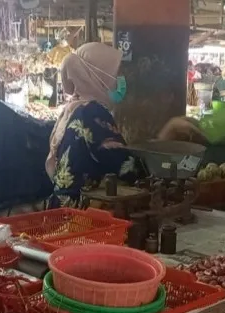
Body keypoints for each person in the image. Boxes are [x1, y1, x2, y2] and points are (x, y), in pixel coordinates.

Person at [46, 42, 204, 208]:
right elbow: (128, 169)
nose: (120, 81)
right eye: (115, 75)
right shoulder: (92, 113)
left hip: (64, 207)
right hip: (78, 215)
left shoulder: (74, 108)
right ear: (98, 77)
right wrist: (167, 137)